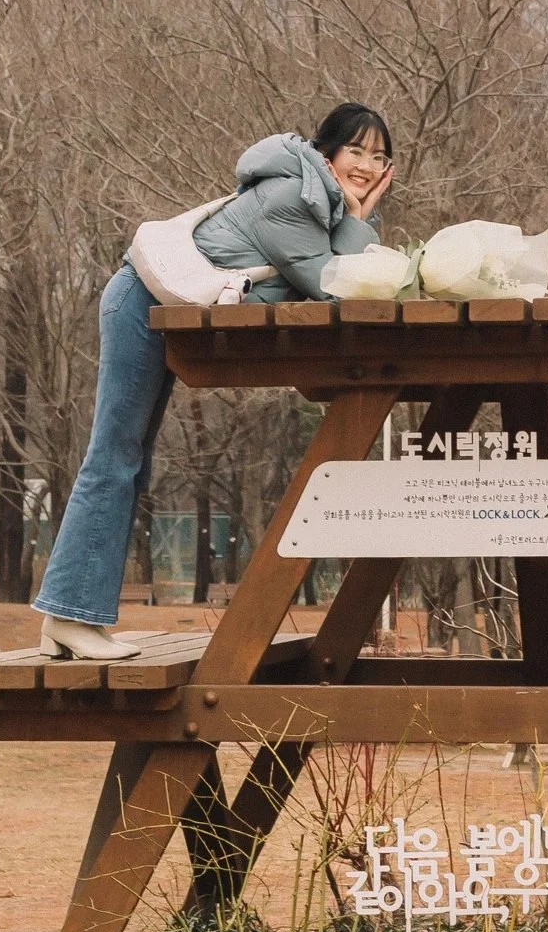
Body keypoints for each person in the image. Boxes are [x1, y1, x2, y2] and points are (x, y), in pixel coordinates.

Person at [35, 103, 396, 660]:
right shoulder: (290, 198)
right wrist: (359, 217)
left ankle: (71, 614)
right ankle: (69, 617)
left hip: (156, 308)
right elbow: (335, 286)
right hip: (142, 305)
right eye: (357, 151)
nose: (369, 167)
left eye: (380, 157)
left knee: (128, 460)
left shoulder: (313, 200)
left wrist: (350, 216)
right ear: (328, 152)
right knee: (114, 459)